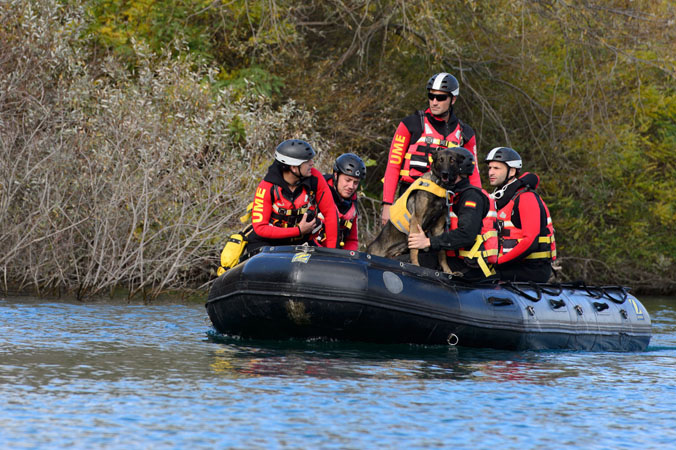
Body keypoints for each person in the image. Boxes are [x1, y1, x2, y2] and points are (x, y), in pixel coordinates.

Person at [381, 72, 480, 225]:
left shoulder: (465, 134)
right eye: (431, 96)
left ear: (453, 99)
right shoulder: (410, 124)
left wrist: (477, 206)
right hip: (410, 198)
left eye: (440, 98)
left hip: (448, 201)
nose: (434, 102)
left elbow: (474, 175)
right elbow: (393, 165)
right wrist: (387, 204)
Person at [407, 147, 498, 281]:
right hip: (452, 257)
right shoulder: (452, 194)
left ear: (459, 169)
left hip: (469, 264)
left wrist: (429, 242)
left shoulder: (470, 196)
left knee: (401, 265)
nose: (444, 169)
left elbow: (466, 234)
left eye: (450, 164)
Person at [246, 139, 339, 254]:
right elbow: (260, 228)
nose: (312, 163)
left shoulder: (315, 178)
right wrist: (298, 230)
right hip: (267, 243)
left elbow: (330, 213)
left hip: (300, 243)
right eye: (307, 161)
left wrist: (332, 252)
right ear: (294, 167)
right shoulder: (266, 187)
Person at [485, 147, 556, 283]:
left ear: (511, 171)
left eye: (496, 168)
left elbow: (530, 242)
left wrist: (498, 262)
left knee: (481, 278)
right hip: (512, 265)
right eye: (490, 168)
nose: (491, 173)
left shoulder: (526, 198)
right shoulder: (501, 198)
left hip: (532, 268)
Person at [314, 153, 366, 251]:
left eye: (356, 183)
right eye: (348, 180)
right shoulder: (317, 192)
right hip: (312, 252)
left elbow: (352, 240)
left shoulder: (352, 202)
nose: (351, 186)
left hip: (337, 256)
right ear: (336, 175)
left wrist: (348, 258)